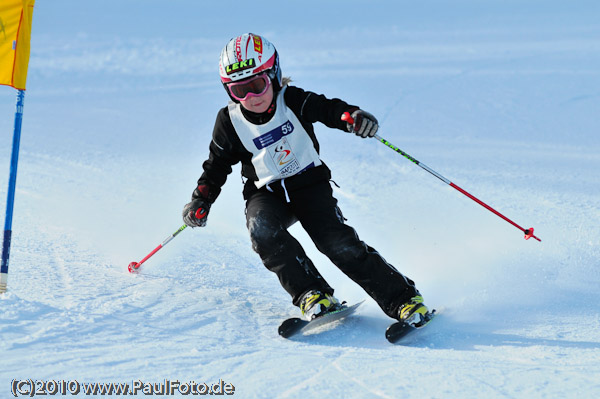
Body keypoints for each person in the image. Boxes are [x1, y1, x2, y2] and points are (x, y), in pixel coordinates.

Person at [183, 33, 429, 325]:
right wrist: (201, 199)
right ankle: (312, 294)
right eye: (240, 91)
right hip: (266, 191)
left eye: (257, 85)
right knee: (262, 231)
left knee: (335, 242)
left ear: (273, 75)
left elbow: (330, 109)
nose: (252, 97)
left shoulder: (294, 101)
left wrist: (353, 117)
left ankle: (403, 299)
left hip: (308, 184)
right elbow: (216, 164)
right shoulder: (229, 121)